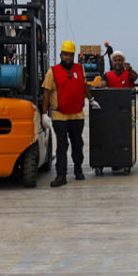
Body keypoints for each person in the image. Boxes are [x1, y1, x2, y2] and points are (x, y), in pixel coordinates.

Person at [43, 39, 90, 187]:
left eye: (70, 55)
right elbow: (46, 93)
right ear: (60, 55)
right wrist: (45, 114)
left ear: (73, 55)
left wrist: (92, 99)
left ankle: (78, 170)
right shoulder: (53, 71)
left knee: (78, 144)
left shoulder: (79, 69)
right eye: (65, 55)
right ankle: (61, 176)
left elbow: (85, 85)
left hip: (77, 115)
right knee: (62, 146)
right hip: (60, 115)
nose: (67, 58)